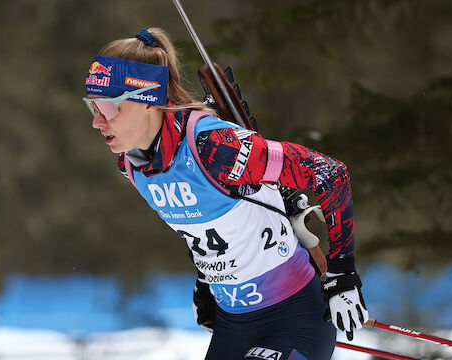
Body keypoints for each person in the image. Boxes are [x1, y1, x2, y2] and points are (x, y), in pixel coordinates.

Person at [83, 27, 369, 360]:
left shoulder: (215, 146)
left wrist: (342, 275)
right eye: (93, 106)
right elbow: (204, 224)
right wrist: (209, 278)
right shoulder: (135, 165)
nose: (97, 122)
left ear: (149, 101)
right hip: (234, 324)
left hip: (293, 317)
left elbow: (328, 173)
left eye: (108, 106)